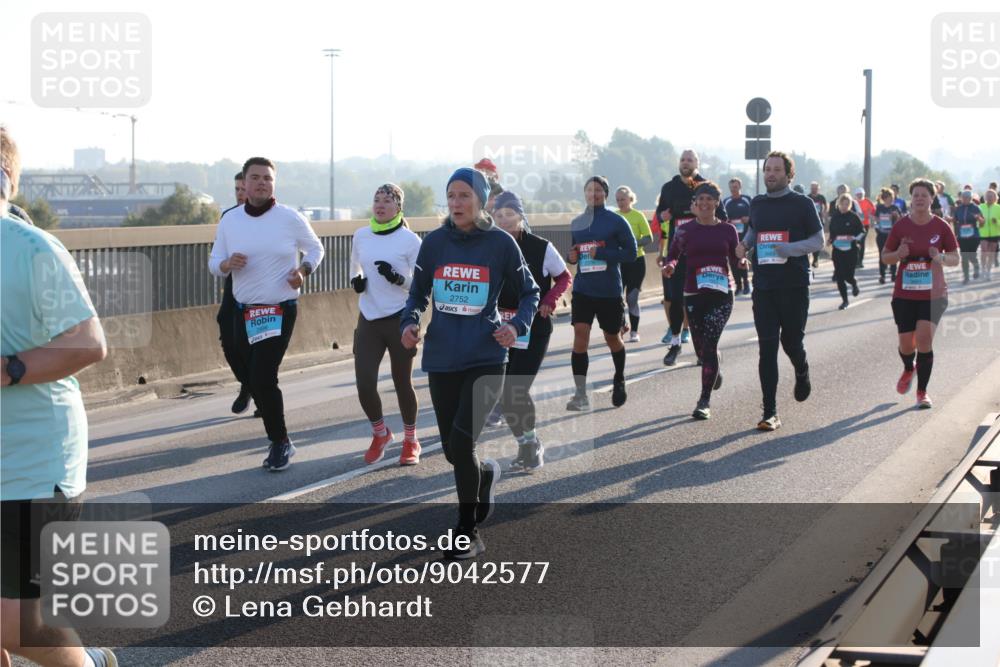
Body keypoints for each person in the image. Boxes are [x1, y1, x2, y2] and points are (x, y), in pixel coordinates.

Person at [1, 128, 117, 667]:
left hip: (29, 463)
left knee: (18, 623)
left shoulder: (31, 247)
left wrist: (8, 369)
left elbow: (89, 342)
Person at [400, 168, 539, 559]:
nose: (456, 203)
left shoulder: (500, 244)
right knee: (451, 449)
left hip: (487, 356)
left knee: (462, 442)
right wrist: (409, 324)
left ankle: (467, 530)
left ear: (480, 200)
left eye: (464, 195)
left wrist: (516, 325)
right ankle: (484, 476)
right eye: (451, 196)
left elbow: (530, 292)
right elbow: (416, 297)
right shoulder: (435, 244)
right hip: (443, 357)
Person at [208, 157, 325, 472]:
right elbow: (214, 260)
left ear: (274, 184)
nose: (261, 183)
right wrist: (225, 264)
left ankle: (280, 442)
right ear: (243, 184)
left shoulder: (289, 218)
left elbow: (316, 249)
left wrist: (303, 270)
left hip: (279, 309)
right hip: (243, 310)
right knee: (249, 373)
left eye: (267, 179)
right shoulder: (230, 220)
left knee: (263, 376)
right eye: (255, 178)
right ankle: (269, 418)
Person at [736, 152, 824, 431]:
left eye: (776, 169)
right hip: (764, 286)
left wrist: (791, 249)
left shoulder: (802, 203)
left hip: (794, 285)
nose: (770, 174)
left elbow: (819, 240)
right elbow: (754, 232)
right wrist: (744, 246)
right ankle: (770, 411)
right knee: (767, 347)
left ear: (789, 174)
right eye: (767, 169)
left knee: (791, 343)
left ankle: (802, 369)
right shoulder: (758, 203)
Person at [492, 191, 572, 472]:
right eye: (498, 216)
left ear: (521, 215)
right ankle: (528, 442)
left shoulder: (541, 247)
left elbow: (564, 277)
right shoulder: (489, 245)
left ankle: (531, 445)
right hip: (500, 327)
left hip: (534, 328)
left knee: (515, 390)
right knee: (503, 393)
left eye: (509, 214)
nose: (504, 220)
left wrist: (550, 300)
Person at [350, 184, 423, 466]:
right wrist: (356, 281)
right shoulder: (361, 235)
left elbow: (421, 285)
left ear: (398, 207)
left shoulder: (410, 241)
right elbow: (355, 266)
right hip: (368, 317)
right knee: (364, 383)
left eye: (387, 201)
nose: (380, 205)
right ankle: (380, 433)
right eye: (376, 199)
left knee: (402, 382)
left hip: (400, 317)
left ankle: (411, 440)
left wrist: (398, 279)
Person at [661, 181, 744, 419]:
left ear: (717, 203)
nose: (705, 203)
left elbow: (734, 256)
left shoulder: (728, 230)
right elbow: (674, 255)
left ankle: (704, 400)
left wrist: (742, 262)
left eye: (710, 199)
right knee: (702, 351)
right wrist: (669, 266)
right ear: (695, 203)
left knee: (709, 344)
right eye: (701, 199)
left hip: (721, 294)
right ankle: (713, 364)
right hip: (694, 293)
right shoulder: (685, 230)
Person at [881, 178, 960, 409]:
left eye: (924, 195)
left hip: (933, 294)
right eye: (915, 195)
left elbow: (956, 258)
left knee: (924, 339)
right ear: (910, 199)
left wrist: (941, 258)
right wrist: (899, 253)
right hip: (905, 294)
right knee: (907, 346)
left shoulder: (941, 226)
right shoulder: (901, 226)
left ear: (932, 199)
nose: (919, 199)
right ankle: (908, 367)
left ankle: (922, 392)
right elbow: (885, 257)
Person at [565, 176, 637, 411]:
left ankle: (619, 378)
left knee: (612, 338)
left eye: (598, 190)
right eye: (589, 190)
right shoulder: (577, 222)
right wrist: (571, 258)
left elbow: (631, 253)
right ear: (584, 194)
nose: (593, 194)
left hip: (608, 291)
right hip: (583, 289)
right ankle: (580, 394)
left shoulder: (616, 221)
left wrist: (604, 254)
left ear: (605, 194)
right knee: (580, 338)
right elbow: (575, 253)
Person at [655, 150, 721, 364]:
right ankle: (675, 344)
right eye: (683, 159)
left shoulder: (706, 187)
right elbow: (660, 216)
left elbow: (724, 218)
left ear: (697, 163)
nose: (685, 163)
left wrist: (700, 214)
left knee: (701, 302)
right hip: (677, 252)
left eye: (689, 160)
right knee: (675, 300)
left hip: (703, 254)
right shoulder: (670, 187)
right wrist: (662, 217)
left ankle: (703, 348)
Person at [218, 171, 255, 416]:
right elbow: (218, 257)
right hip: (235, 284)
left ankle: (261, 392)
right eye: (237, 190)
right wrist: (227, 262)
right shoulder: (228, 217)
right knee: (228, 334)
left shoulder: (274, 217)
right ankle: (248, 384)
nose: (241, 195)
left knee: (258, 343)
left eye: (244, 189)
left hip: (264, 289)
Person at [615, 185, 654, 341]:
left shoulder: (638, 216)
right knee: (617, 299)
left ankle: (635, 332)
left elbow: (649, 238)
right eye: (617, 200)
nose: (620, 203)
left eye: (623, 199)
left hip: (636, 261)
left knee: (631, 299)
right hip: (619, 263)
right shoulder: (614, 216)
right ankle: (622, 327)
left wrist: (631, 243)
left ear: (630, 199)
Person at [828, 193, 865, 309]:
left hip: (851, 250)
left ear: (850, 205)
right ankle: (845, 301)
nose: (844, 206)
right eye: (842, 204)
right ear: (839, 204)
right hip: (838, 250)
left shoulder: (853, 217)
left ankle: (853, 283)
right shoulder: (835, 217)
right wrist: (830, 240)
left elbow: (862, 232)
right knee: (839, 276)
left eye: (847, 204)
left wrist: (853, 238)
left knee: (848, 276)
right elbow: (832, 233)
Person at [722, 177, 753, 295]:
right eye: (731, 188)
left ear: (740, 187)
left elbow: (755, 215)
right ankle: (738, 285)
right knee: (733, 261)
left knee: (742, 259)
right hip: (730, 237)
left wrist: (748, 219)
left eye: (735, 187)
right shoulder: (726, 202)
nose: (733, 190)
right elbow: (721, 218)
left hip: (745, 236)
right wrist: (727, 222)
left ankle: (746, 283)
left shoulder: (747, 199)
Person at [952, 189, 984, 284]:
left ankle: (976, 267)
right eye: (963, 197)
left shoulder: (976, 208)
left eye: (967, 198)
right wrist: (949, 219)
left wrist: (979, 218)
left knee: (971, 255)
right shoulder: (959, 208)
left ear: (970, 198)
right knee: (964, 256)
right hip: (962, 236)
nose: (964, 199)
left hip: (974, 236)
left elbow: (983, 223)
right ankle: (966, 277)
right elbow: (955, 220)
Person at [874, 187, 902, 284]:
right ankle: (882, 275)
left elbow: (901, 220)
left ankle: (893, 274)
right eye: (889, 197)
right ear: (884, 198)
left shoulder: (895, 208)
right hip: (881, 234)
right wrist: (879, 219)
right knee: (882, 255)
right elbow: (876, 219)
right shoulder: (880, 207)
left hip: (892, 235)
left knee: (893, 254)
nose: (891, 199)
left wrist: (895, 216)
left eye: (892, 197)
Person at [978, 188, 1000, 281]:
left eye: (992, 196)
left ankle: (988, 271)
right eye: (988, 196)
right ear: (985, 197)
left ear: (996, 198)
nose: (990, 198)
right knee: (984, 250)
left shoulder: (998, 208)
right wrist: (980, 222)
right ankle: (983, 269)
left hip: (995, 233)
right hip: (983, 232)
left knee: (991, 253)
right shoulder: (980, 207)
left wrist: (997, 221)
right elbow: (976, 220)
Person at [807, 182, 828, 269]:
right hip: (809, 221)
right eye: (812, 188)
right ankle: (810, 257)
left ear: (818, 189)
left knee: (818, 240)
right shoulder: (808, 197)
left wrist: (824, 213)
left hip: (819, 220)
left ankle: (816, 259)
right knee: (810, 240)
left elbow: (826, 206)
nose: (814, 189)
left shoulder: (821, 197)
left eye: (815, 188)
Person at [854, 187, 875, 268]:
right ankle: (856, 260)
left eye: (861, 194)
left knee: (861, 242)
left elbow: (873, 210)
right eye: (858, 194)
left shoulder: (867, 201)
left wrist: (868, 214)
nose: (859, 196)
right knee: (856, 242)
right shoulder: (854, 202)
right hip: (855, 226)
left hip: (865, 225)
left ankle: (860, 261)